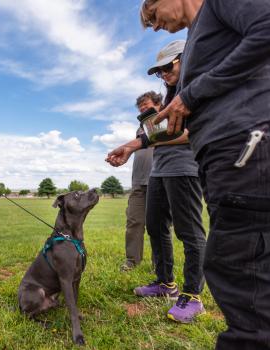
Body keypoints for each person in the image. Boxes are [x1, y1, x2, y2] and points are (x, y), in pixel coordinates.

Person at [139, 1, 270, 349]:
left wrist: (191, 95)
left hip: (245, 145)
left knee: (241, 268)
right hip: (224, 153)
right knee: (236, 264)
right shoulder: (199, 33)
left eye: (153, 16)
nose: (155, 26)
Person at [107, 39, 206, 324]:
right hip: (160, 172)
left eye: (166, 67)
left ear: (184, 59)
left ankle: (192, 295)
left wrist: (136, 144)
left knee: (189, 232)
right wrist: (130, 146)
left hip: (184, 169)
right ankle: (165, 283)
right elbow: (152, 137)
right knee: (155, 227)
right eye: (158, 72)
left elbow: (194, 131)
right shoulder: (174, 92)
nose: (162, 74)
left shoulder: (195, 87)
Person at [120, 91, 160, 272]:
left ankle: (158, 264)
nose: (143, 109)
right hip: (138, 181)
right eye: (140, 107)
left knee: (158, 225)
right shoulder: (141, 127)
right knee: (134, 222)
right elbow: (139, 147)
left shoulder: (164, 120)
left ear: (158, 104)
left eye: (147, 105)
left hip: (158, 179)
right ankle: (132, 261)